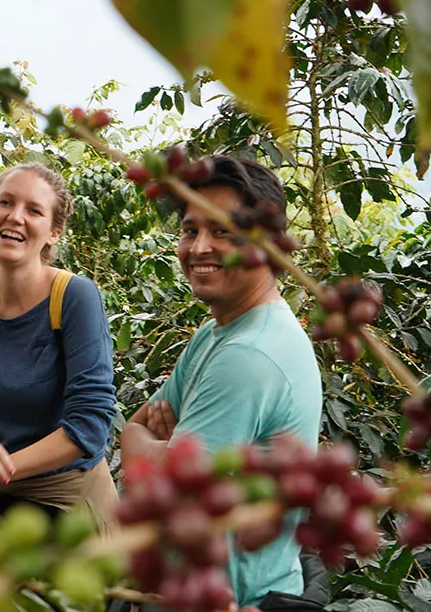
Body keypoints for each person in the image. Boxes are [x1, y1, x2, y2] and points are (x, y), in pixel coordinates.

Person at [120, 155, 323, 610]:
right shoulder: (216, 333)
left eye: (222, 232)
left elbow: (165, 497)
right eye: (191, 230)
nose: (199, 248)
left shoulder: (247, 355)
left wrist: (151, 452)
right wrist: (158, 452)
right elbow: (132, 434)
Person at [0, 163, 118, 528]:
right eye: (6, 203)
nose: (16, 217)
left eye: (34, 210)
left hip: (65, 494)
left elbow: (88, 426)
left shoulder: (73, 297)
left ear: (53, 233)